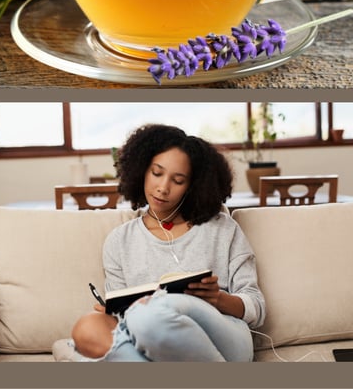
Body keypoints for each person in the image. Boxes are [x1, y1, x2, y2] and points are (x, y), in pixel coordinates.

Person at [70, 124, 265, 361]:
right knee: (87, 327)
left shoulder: (221, 228)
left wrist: (218, 299)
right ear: (142, 170)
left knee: (148, 313)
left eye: (178, 180)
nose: (163, 188)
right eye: (157, 173)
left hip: (224, 335)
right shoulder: (119, 241)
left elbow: (257, 306)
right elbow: (121, 319)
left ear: (192, 186)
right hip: (151, 340)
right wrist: (115, 312)